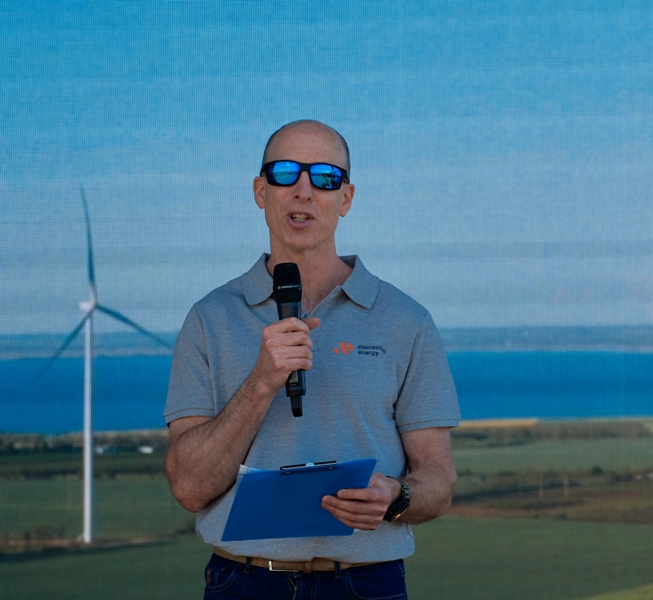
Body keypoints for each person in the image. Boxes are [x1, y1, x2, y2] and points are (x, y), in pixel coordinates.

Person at [164, 120, 461, 599]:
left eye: (325, 177)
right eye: (285, 172)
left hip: (367, 583)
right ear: (261, 191)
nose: (303, 190)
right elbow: (189, 487)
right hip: (243, 583)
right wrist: (261, 383)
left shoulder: (407, 321)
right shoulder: (209, 318)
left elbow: (439, 477)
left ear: (346, 198)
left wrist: (396, 495)